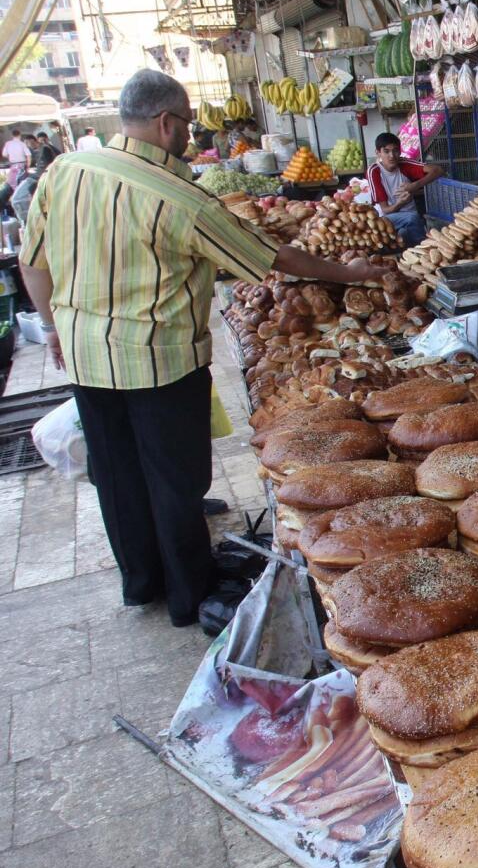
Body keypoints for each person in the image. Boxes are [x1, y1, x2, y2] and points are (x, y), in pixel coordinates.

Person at [17, 70, 388, 628]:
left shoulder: (64, 170)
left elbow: (32, 260)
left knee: (117, 476)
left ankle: (141, 584)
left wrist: (51, 329)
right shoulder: (177, 196)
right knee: (174, 482)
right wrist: (346, 270)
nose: (189, 138)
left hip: (87, 359)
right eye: (187, 126)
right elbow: (271, 257)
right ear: (166, 123)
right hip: (160, 363)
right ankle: (188, 595)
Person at [366, 133, 442, 247]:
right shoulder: (374, 171)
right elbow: (385, 210)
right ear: (378, 153)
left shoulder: (404, 164)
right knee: (412, 218)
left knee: (404, 234)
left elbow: (438, 170)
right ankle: (424, 248)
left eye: (395, 151)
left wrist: (415, 186)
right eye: (386, 151)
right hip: (386, 218)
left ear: (400, 151)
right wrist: (401, 203)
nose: (392, 156)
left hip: (410, 218)